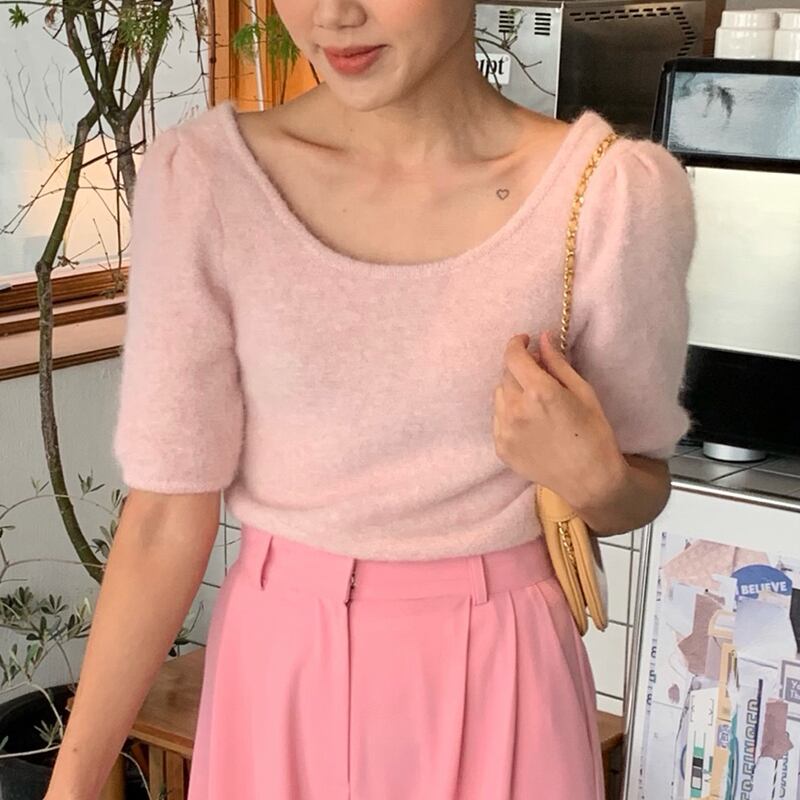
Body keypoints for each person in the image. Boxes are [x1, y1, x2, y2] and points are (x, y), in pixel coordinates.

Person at [44, 1, 696, 798]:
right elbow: (162, 518)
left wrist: (595, 478)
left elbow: (638, 486)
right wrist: (72, 785)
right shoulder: (206, 183)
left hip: (505, 674)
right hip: (276, 674)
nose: (333, 15)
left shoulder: (612, 197)